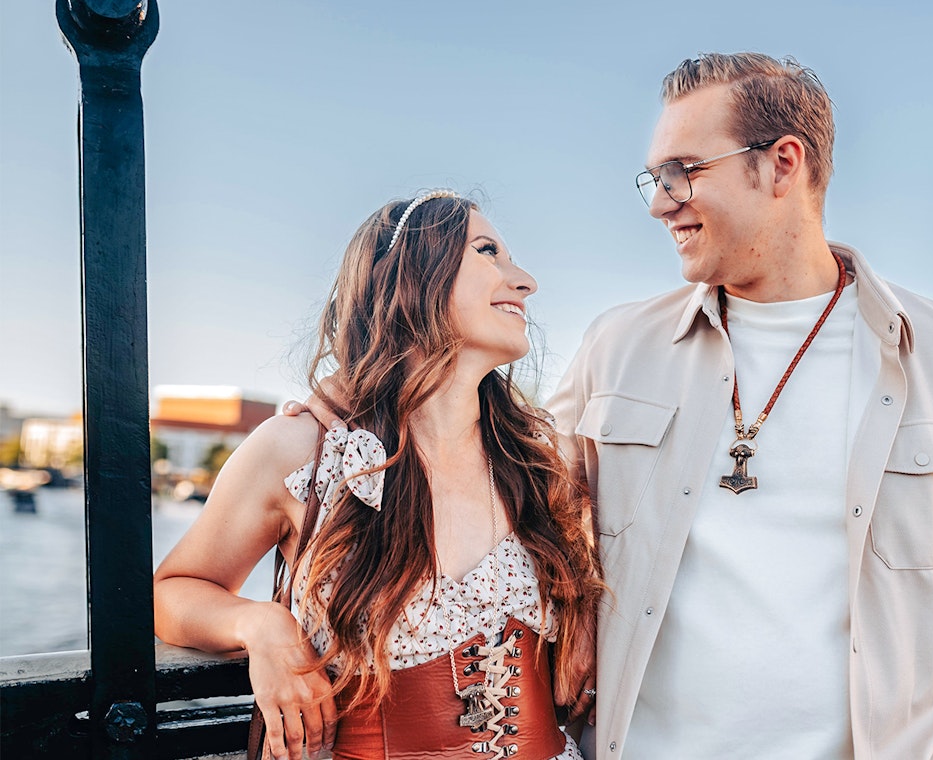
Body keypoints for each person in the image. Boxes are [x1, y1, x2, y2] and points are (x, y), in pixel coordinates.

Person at [545, 53, 933, 759]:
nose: (660, 202)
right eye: (655, 178)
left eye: (683, 172)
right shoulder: (616, 346)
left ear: (783, 163)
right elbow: (515, 520)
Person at [154, 192, 602, 760]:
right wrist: (261, 625)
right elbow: (172, 592)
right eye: (489, 251)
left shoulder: (537, 463)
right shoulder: (302, 450)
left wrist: (585, 609)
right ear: (411, 274)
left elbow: (595, 567)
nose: (526, 281)